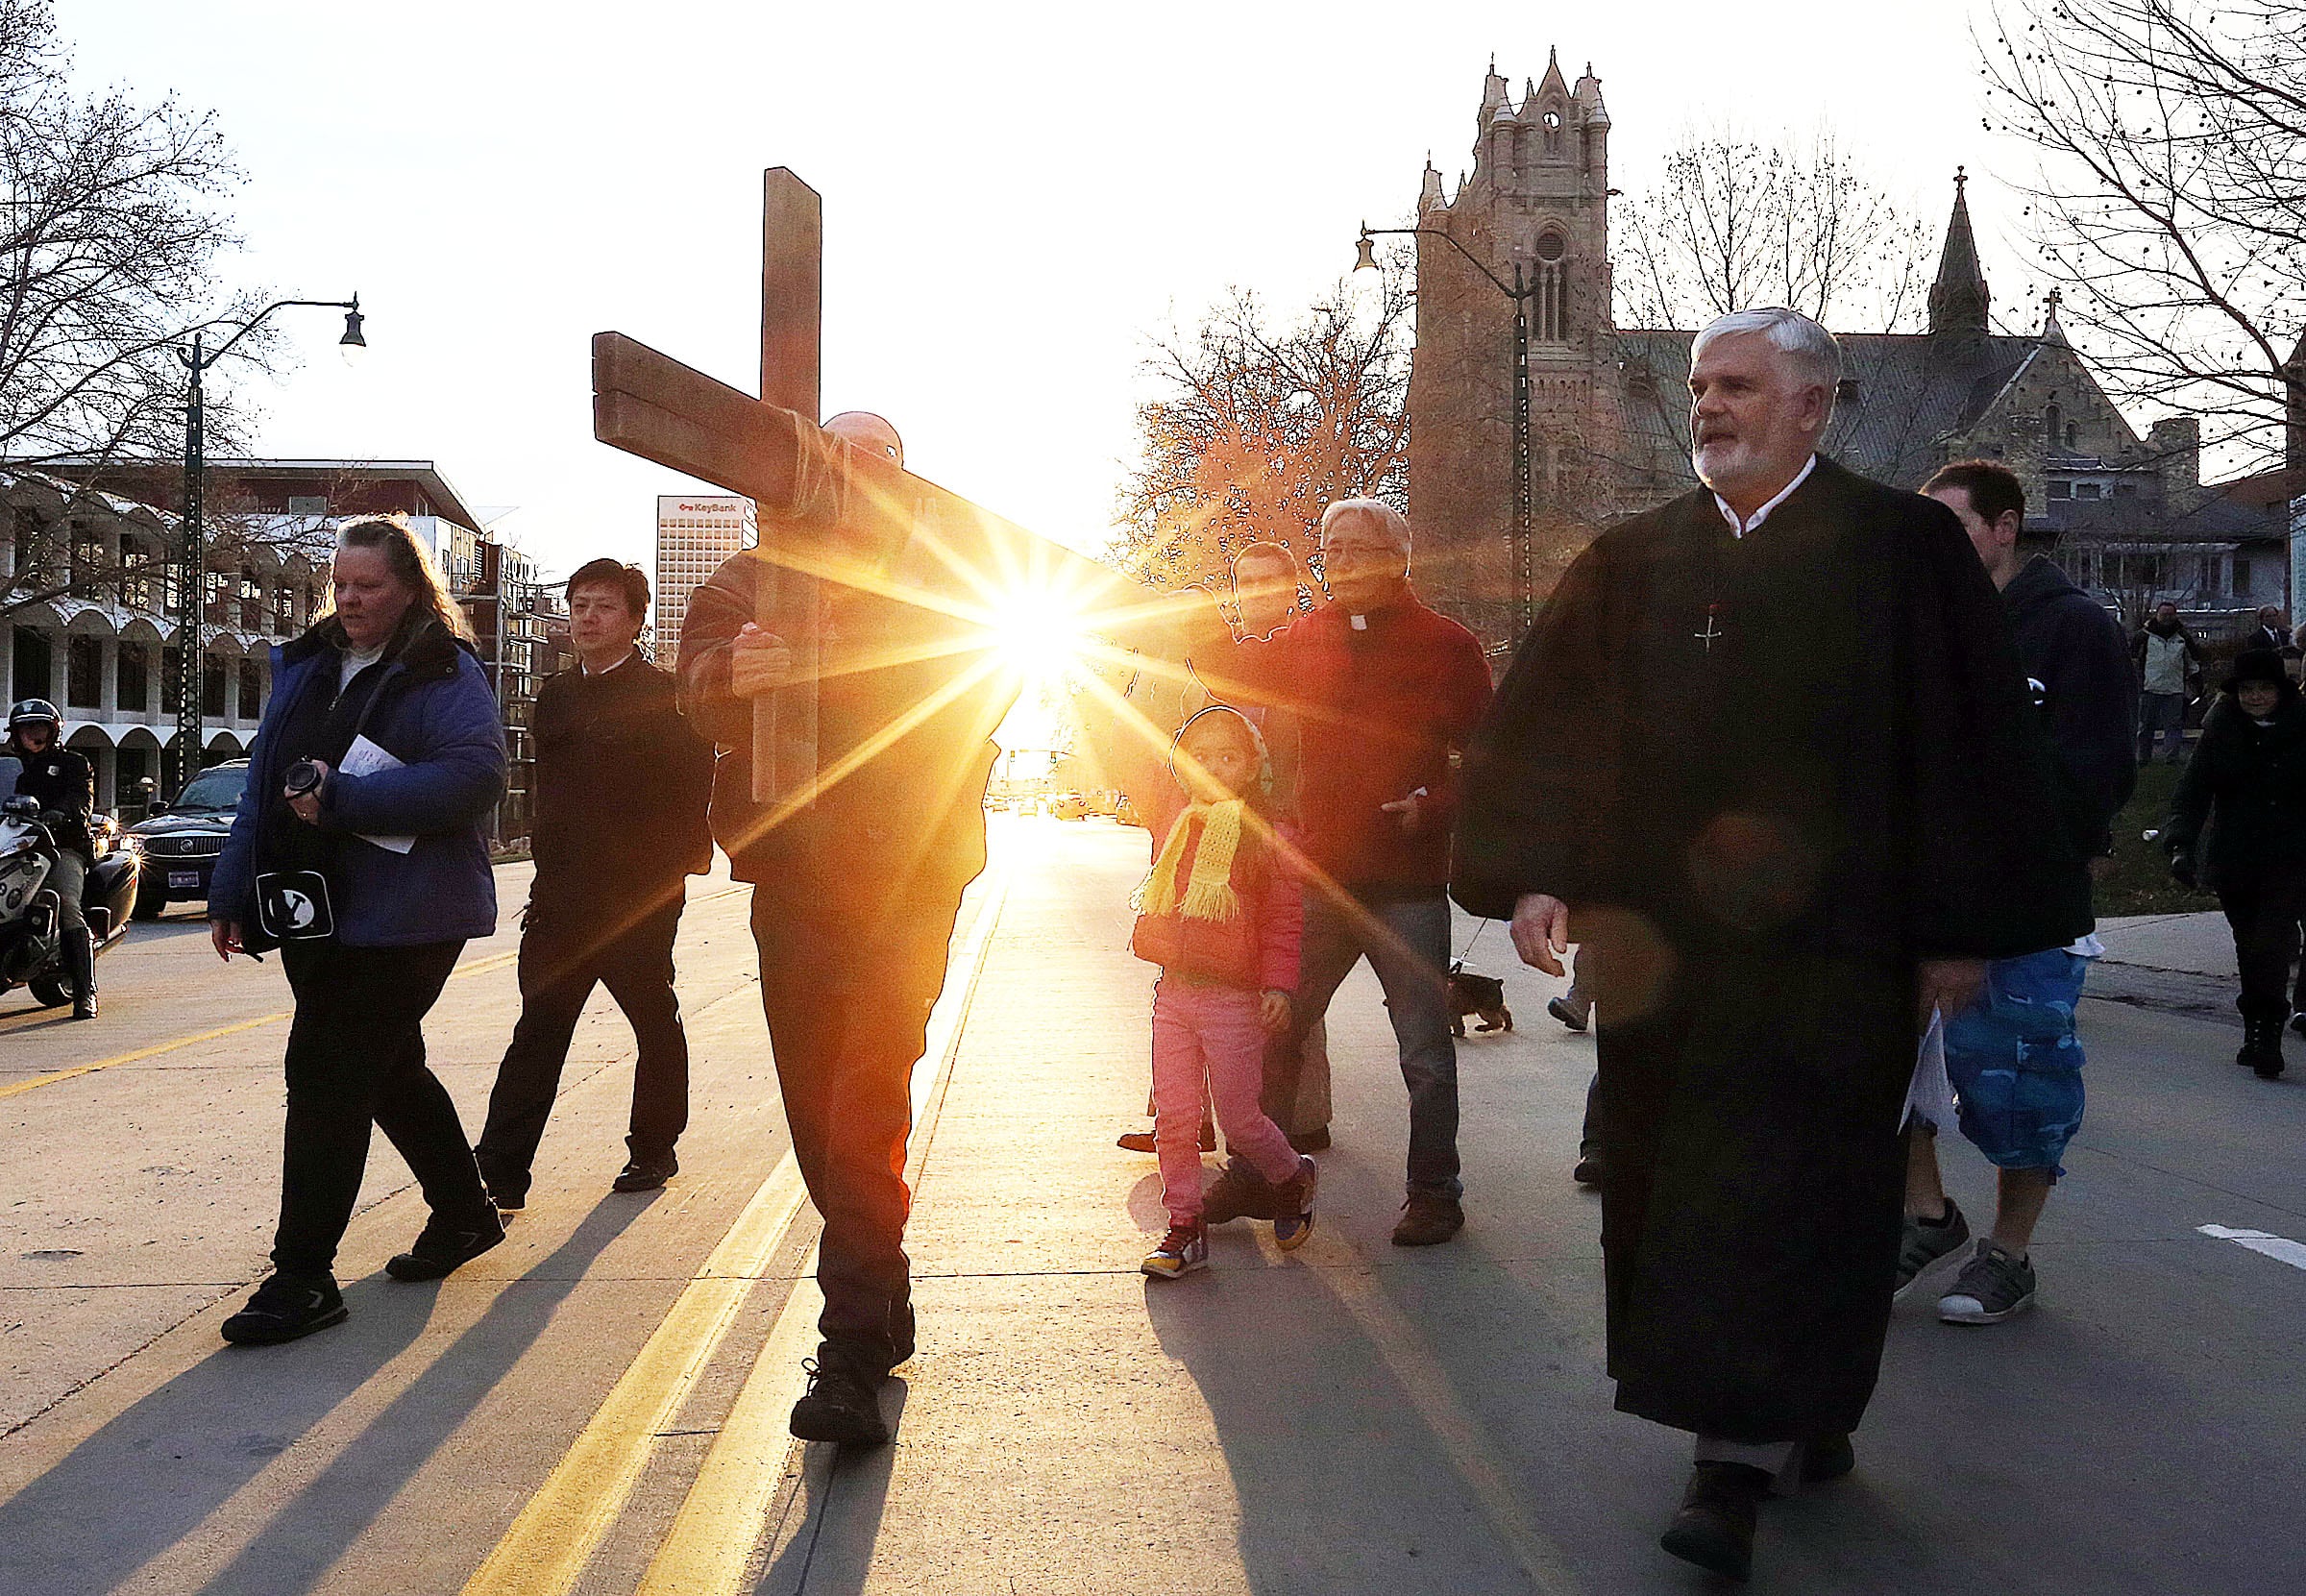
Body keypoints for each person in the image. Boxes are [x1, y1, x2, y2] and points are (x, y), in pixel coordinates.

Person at [1453, 307, 2086, 1582]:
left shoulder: (1904, 552)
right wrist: (1531, 875)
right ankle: (1764, 1417)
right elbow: (1552, 724)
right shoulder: (1633, 558)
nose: (1710, 406)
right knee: (1681, 1193)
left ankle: (1742, 1454)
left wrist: (1960, 931)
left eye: (1738, 386)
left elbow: (1969, 752)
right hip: (1668, 958)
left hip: (1839, 954)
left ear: (1814, 403)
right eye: (1700, 387)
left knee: (1811, 1193)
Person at [677, 410, 1007, 1448]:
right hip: (797, 877)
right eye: (840, 455)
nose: (859, 475)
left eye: (882, 459)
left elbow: (991, 678)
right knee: (821, 1113)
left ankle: (851, 1349)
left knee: (866, 1098)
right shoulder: (745, 578)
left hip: (910, 877)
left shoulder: (944, 573)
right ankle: (883, 1285)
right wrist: (737, 673)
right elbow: (694, 688)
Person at [207, 516, 509, 1346]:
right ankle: (466, 1213)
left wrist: (348, 797)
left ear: (410, 588)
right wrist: (230, 888)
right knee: (387, 1067)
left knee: (327, 1067)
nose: (348, 600)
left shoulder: (442, 668)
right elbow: (261, 784)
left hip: (408, 913)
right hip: (313, 908)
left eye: (367, 586)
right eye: (338, 585)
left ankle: (302, 1275)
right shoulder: (307, 666)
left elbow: (477, 774)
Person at [1202, 499, 1494, 1247]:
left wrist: (1434, 803)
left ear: (1399, 557)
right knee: (1278, 1028)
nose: (1341, 561)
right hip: (1323, 878)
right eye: (1331, 548)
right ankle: (1261, 1173)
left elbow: (1492, 758)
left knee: (1425, 1051)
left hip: (1407, 883)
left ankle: (1435, 1191)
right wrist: (1186, 623)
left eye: (1359, 548)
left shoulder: (1447, 646)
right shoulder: (1310, 633)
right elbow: (1240, 670)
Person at [1895, 459, 2136, 1325]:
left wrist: (1988, 899)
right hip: (1913, 908)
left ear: (2004, 529)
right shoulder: (1923, 629)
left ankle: (2009, 1252)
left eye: (1954, 529)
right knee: (1897, 1077)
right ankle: (1927, 1216)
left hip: (2022, 916)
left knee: (2020, 1088)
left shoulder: (2072, 630)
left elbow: (2092, 780)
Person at [474, 559, 716, 1212]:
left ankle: (653, 1144)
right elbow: (549, 799)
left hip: (637, 898)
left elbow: (694, 793)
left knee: (652, 1017)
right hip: (561, 901)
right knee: (539, 1030)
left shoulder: (667, 696)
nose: (587, 617)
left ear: (635, 618)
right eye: (579, 604)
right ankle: (497, 1174)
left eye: (603, 606)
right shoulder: (555, 696)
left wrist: (671, 875)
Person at [1133, 706, 1315, 1277]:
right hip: (1176, 994)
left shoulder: (1269, 836)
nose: (1212, 767)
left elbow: (1285, 921)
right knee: (1176, 1117)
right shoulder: (1177, 824)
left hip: (1235, 1000)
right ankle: (1184, 1226)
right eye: (1199, 756)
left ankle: (1292, 1175)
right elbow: (1121, 749)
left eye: (1228, 756)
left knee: (1239, 1120)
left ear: (1253, 767)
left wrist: (1279, 988)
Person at [2163, 649, 2306, 1080]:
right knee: (2249, 946)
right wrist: (2180, 844)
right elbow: (2192, 792)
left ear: (2280, 691)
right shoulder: (2221, 732)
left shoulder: (2302, 728)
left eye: (2264, 689)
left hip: (2290, 859)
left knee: (2273, 944)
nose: (2256, 697)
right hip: (2235, 857)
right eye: (2247, 690)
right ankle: (2253, 1027)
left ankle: (2269, 1034)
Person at [4, 699, 98, 1018]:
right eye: (26, 728)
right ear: (16, 735)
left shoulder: (74, 764)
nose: (33, 733)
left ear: (53, 730)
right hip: (22, 848)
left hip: (64, 848)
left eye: (39, 726)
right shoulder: (17, 772)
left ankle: (85, 992)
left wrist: (60, 813)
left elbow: (80, 800)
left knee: (68, 906)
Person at [2131, 602, 2200, 766]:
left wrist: (2196, 682)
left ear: (2176, 615)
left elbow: (2192, 661)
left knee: (2174, 726)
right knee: (2146, 726)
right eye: (2164, 614)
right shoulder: (2143, 636)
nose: (2167, 618)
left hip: (2174, 689)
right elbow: (2133, 659)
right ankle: (2143, 758)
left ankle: (2171, 759)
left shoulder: (2184, 637)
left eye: (2171, 614)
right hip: (2149, 688)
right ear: (2157, 615)